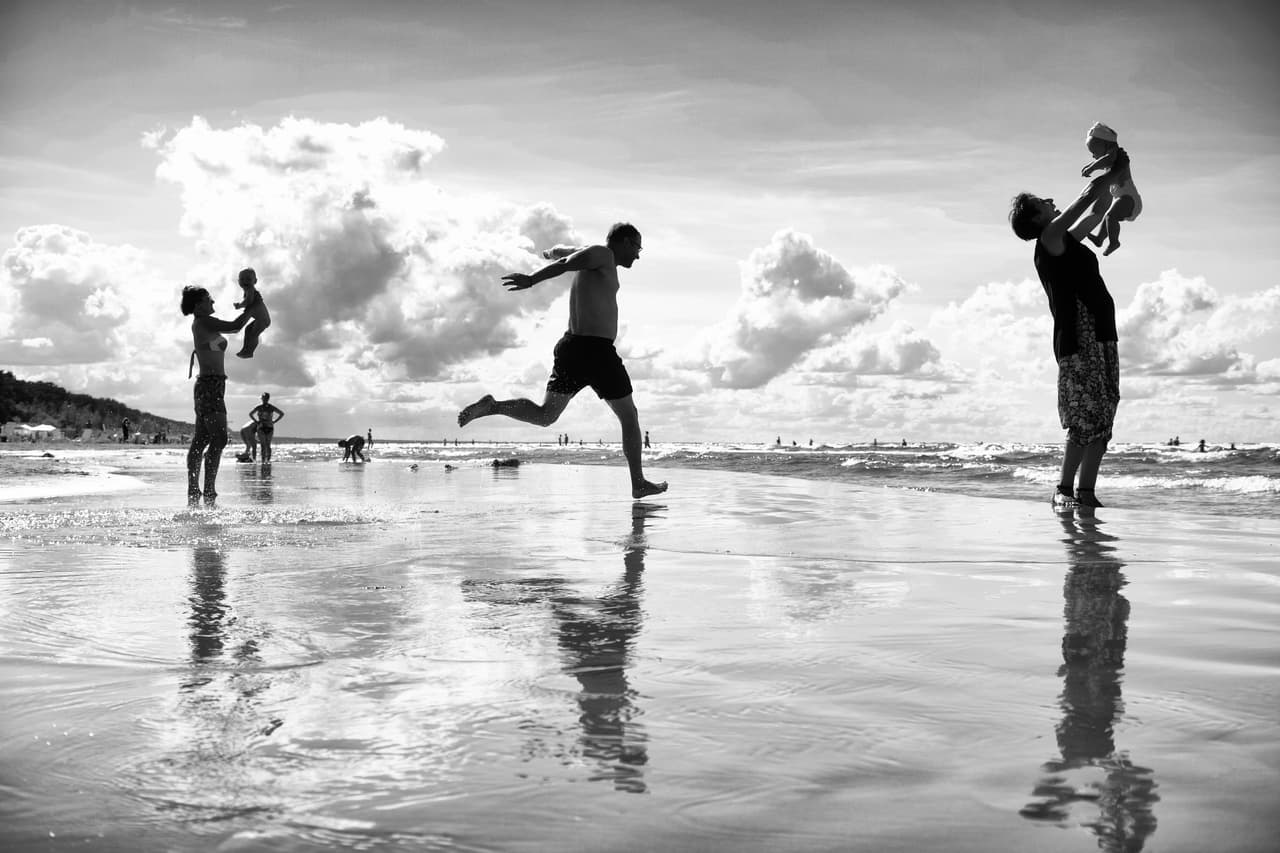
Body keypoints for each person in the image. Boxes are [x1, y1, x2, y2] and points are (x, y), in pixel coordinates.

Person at [457, 222, 667, 499]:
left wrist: (547, 252)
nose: (638, 255)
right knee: (629, 416)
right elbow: (567, 262)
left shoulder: (591, 253)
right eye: (637, 247)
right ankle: (637, 483)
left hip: (572, 349)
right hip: (597, 352)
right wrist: (532, 279)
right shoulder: (603, 255)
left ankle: (493, 406)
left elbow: (562, 252)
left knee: (546, 416)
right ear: (625, 241)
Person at [1010, 173, 1122, 509]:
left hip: (1102, 333)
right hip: (1079, 337)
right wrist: (1111, 169)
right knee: (1083, 416)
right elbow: (1088, 196)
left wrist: (1120, 180)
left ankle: (1086, 493)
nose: (1049, 201)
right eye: (1041, 203)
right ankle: (1063, 488)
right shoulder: (1050, 238)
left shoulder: (1066, 237)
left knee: (1103, 413)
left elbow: (1098, 208)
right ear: (1036, 218)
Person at [181, 284, 251, 505]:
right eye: (209, 299)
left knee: (202, 439)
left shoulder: (204, 323)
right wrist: (254, 306)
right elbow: (235, 326)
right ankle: (207, 489)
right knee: (219, 438)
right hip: (209, 386)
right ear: (199, 304)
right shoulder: (203, 321)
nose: (213, 303)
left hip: (212, 386)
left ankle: (195, 488)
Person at [1075, 123, 1142, 256]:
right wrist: (1091, 165)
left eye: (1094, 152)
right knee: (1109, 217)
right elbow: (1104, 162)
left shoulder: (1115, 153)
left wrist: (1092, 167)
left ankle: (1114, 242)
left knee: (1110, 216)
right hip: (1122, 197)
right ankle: (1100, 238)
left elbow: (1105, 160)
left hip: (1128, 198)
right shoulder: (1112, 158)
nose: (1093, 156)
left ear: (1105, 145)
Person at [233, 267, 271, 358]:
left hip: (263, 320)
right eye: (242, 279)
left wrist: (240, 306)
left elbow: (249, 301)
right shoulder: (247, 291)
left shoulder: (250, 290)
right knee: (248, 330)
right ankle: (245, 349)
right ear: (238, 281)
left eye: (248, 279)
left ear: (255, 281)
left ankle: (249, 351)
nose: (245, 281)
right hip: (259, 319)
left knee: (254, 334)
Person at [250, 392, 284, 462]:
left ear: (267, 399)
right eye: (263, 398)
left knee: (267, 445)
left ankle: (267, 461)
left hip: (268, 427)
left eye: (265, 398)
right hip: (262, 427)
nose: (264, 400)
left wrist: (274, 421)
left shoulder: (269, 407)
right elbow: (250, 414)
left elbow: (281, 414)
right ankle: (264, 461)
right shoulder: (260, 407)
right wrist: (257, 421)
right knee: (264, 445)